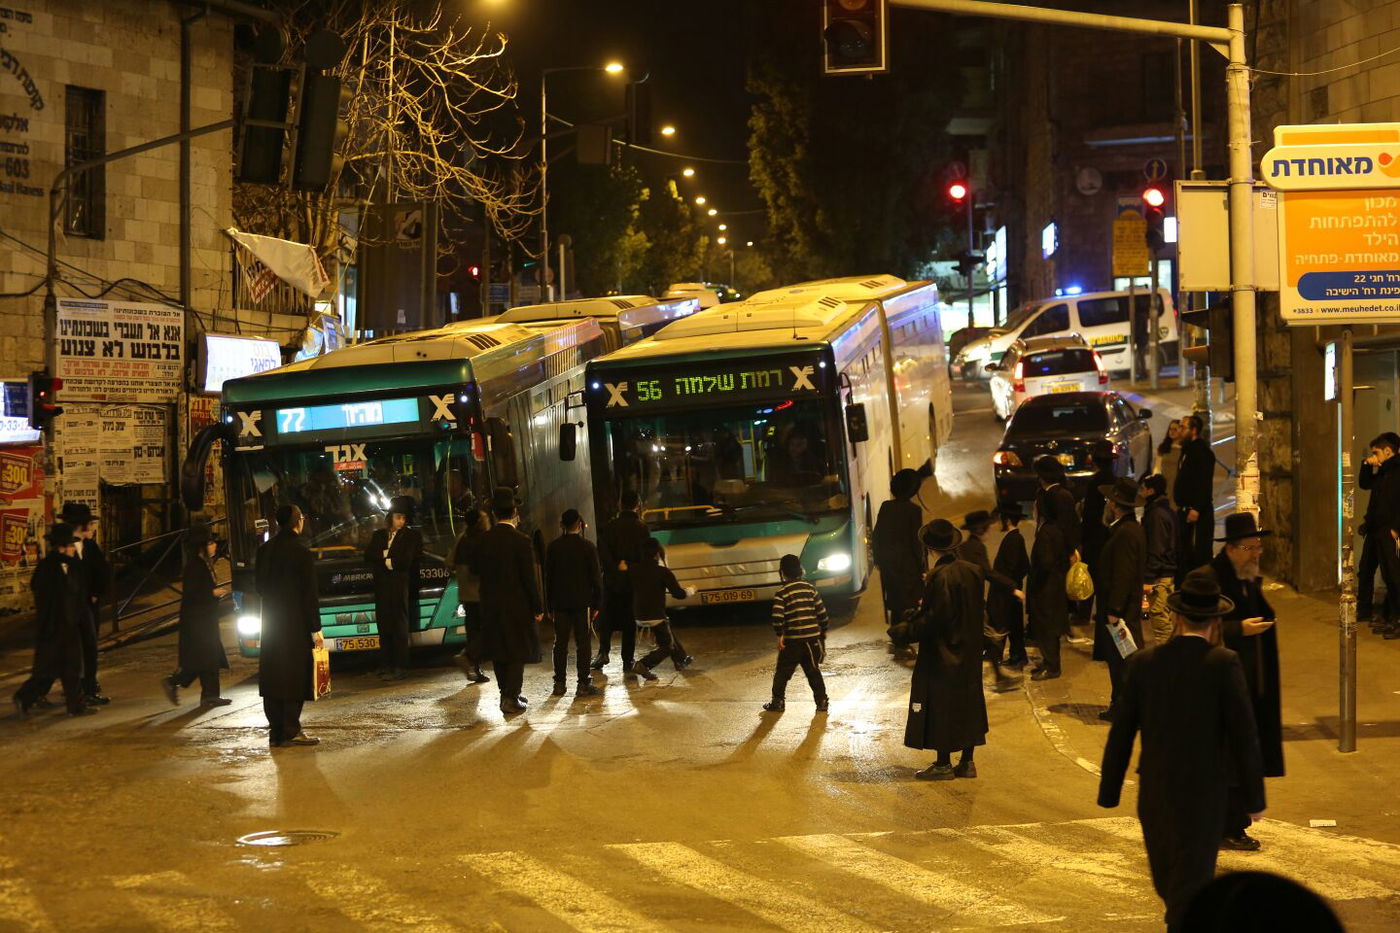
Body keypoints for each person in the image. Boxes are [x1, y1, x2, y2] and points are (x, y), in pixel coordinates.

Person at [1098, 565, 1265, 932]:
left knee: (1172, 886)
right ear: (1216, 620)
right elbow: (1244, 734)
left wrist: (1110, 790)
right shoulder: (1224, 664)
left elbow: (1122, 732)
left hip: (1156, 794)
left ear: (1174, 615)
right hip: (1204, 796)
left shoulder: (1144, 663)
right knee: (1186, 888)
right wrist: (1254, 798)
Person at [1210, 512, 1284, 851]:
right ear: (1231, 548)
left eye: (1259, 547)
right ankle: (1228, 826)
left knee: (1244, 756)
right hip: (1222, 687)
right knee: (1228, 759)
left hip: (1251, 683)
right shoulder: (1210, 579)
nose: (1257, 553)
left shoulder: (1247, 577)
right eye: (1250, 547)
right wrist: (1240, 629)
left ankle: (1233, 823)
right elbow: (1196, 630)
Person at [894, 519, 988, 780]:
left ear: (928, 548)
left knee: (941, 705)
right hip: (970, 650)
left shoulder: (939, 576)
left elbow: (937, 617)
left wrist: (907, 630)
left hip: (944, 652)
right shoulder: (973, 571)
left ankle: (944, 763)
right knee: (968, 703)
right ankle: (967, 763)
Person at [470, 487, 543, 715]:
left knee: (499, 649)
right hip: (517, 605)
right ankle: (511, 697)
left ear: (493, 513)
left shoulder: (483, 541)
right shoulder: (521, 541)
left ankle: (506, 693)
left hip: (490, 604)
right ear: (515, 512)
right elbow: (528, 579)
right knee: (516, 650)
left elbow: (474, 569)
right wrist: (537, 607)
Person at [256, 505, 324, 748]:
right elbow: (309, 595)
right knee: (294, 677)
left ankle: (277, 732)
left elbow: (260, 587)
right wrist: (315, 629)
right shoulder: (301, 552)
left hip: (272, 623)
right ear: (298, 522)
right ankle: (291, 729)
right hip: (294, 624)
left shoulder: (265, 550)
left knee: (274, 675)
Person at [12, 524, 91, 717]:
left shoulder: (74, 566)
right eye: (71, 546)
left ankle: (76, 707)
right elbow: (42, 594)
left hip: (70, 626)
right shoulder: (47, 567)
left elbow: (79, 593)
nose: (74, 549)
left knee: (72, 669)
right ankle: (24, 696)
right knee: (46, 671)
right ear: (62, 547)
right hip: (52, 627)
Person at [1092, 477, 1146, 721]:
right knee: (1123, 660)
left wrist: (1114, 608)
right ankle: (1122, 704)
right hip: (1125, 607)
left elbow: (1123, 573)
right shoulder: (1130, 529)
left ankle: (1125, 707)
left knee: (1122, 661)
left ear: (1115, 504)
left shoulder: (1125, 533)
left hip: (1121, 611)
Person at [161, 524, 231, 707]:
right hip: (198, 620)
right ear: (202, 546)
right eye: (210, 543)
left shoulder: (204, 564)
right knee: (205, 657)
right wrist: (212, 593)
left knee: (207, 657)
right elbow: (193, 592)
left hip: (204, 618)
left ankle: (208, 694)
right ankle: (187, 686)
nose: (214, 545)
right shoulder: (195, 566)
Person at [956, 508, 1021, 691]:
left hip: (966, 600)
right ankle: (993, 679)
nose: (990, 530)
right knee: (986, 638)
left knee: (985, 639)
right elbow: (987, 572)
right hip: (970, 602)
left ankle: (999, 677)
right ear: (981, 529)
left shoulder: (965, 546)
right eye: (987, 527)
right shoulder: (976, 547)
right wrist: (1012, 587)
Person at [544, 508, 604, 698]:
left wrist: (549, 606)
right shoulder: (588, 547)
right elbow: (596, 579)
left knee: (560, 644)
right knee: (583, 643)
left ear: (562, 525)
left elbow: (549, 579)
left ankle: (559, 684)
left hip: (560, 604)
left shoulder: (553, 547)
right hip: (582, 603)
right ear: (580, 524)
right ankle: (583, 683)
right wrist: (597, 604)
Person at [365, 496, 423, 681]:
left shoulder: (411, 536)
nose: (401, 521)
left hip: (399, 585)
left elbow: (405, 561)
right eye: (398, 517)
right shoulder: (379, 535)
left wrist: (384, 560)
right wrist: (389, 559)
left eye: (404, 518)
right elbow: (368, 555)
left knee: (399, 625)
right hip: (382, 585)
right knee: (384, 624)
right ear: (390, 517)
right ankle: (386, 663)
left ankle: (400, 665)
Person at [763, 554, 829, 713]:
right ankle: (822, 701)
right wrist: (822, 633)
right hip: (811, 641)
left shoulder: (782, 593)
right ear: (800, 570)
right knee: (813, 672)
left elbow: (778, 618)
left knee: (782, 672)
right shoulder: (811, 589)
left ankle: (778, 702)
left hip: (792, 642)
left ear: (782, 572)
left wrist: (780, 635)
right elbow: (822, 614)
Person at [594, 489, 649, 673]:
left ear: (620, 504)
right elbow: (644, 556)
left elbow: (603, 553)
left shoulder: (609, 527)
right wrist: (631, 568)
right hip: (632, 583)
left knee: (607, 618)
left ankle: (603, 652)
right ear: (637, 505)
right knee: (629, 622)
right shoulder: (642, 528)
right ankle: (627, 660)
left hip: (612, 581)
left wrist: (615, 567)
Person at [61, 501, 109, 706]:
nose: (91, 527)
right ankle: (75, 690)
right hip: (69, 608)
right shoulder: (63, 546)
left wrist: (95, 593)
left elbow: (103, 571)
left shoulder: (89, 546)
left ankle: (87, 687)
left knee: (89, 647)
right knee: (71, 650)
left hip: (87, 606)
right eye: (89, 523)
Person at [630, 538, 695, 681]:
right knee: (667, 646)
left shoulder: (633, 570)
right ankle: (642, 664)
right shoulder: (662, 572)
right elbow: (678, 594)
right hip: (655, 616)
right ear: (657, 554)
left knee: (668, 633)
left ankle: (681, 659)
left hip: (638, 615)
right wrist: (690, 590)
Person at [1357, 432, 1400, 632]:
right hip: (1375, 529)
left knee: (1392, 575)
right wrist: (1366, 464)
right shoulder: (1383, 472)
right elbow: (1365, 484)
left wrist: (1396, 530)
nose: (1375, 456)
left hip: (1388, 531)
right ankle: (1366, 610)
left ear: (1388, 451)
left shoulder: (1396, 471)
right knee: (1366, 569)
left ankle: (1395, 617)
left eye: (1377, 452)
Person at [1027, 490, 1071, 680]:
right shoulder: (1054, 529)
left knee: (1048, 629)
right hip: (1053, 588)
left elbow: (1044, 564)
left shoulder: (1046, 533)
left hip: (1047, 590)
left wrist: (1034, 579)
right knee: (1049, 628)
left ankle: (1052, 667)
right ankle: (1048, 662)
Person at [873, 469, 926, 627]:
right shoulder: (914, 511)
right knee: (910, 604)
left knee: (896, 603)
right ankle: (905, 636)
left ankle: (896, 634)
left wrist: (879, 560)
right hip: (908, 566)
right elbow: (916, 542)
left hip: (889, 565)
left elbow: (877, 535)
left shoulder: (886, 507)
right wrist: (922, 566)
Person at [987, 501, 1030, 671]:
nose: (997, 523)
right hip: (1012, 589)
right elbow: (1025, 565)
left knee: (1012, 625)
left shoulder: (1013, 539)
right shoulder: (1014, 538)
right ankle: (1016, 655)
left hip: (1009, 591)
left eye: (999, 519)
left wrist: (1011, 586)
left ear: (1007, 520)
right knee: (1013, 624)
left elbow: (1013, 567)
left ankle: (1018, 656)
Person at [451, 507, 491, 684]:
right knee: (487, 630)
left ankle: (474, 670)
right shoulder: (483, 540)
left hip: (465, 594)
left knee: (473, 631)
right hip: (480, 593)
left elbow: (449, 561)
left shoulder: (462, 538)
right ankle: (467, 656)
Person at [1173, 414, 1215, 578]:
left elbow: (1204, 483)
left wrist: (1196, 508)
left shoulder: (1202, 453)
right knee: (1184, 555)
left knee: (1197, 556)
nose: (1179, 431)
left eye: (1183, 427)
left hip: (1196, 515)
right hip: (1185, 511)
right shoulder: (1187, 450)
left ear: (1194, 430)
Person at [1140, 473, 1178, 646]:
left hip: (1161, 575)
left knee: (1160, 618)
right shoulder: (1165, 510)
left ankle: (1169, 659)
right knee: (1164, 616)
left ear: (1151, 491)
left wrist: (1148, 579)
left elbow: (1156, 548)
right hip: (1165, 572)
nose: (1141, 492)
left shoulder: (1156, 515)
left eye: (1143, 489)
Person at [1034, 455, 1081, 556]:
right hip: (1057, 548)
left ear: (1041, 478)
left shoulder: (1049, 495)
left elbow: (1066, 526)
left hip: (1054, 550)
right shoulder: (1061, 493)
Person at [1155, 419, 1184, 509]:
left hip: (1176, 484)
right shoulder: (1163, 447)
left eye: (1175, 429)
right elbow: (1157, 467)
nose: (1172, 432)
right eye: (1170, 429)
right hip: (1164, 483)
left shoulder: (1184, 449)